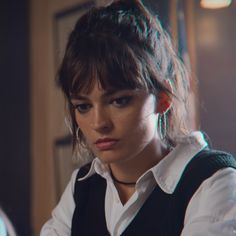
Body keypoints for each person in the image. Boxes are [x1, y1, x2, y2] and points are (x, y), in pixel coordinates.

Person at [40, 0, 236, 235]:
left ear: (163, 98)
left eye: (119, 101)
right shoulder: (82, 187)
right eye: (83, 106)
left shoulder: (214, 181)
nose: (99, 123)